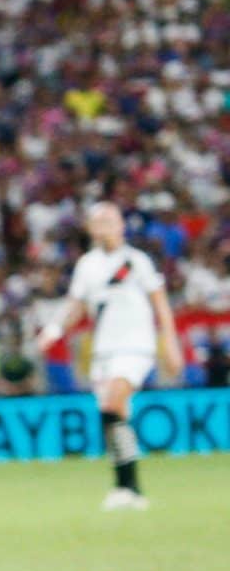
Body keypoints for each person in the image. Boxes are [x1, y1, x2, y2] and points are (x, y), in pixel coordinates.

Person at [37, 202, 184, 510]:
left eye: (110, 219)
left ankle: (130, 487)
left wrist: (170, 342)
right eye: (98, 220)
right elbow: (75, 306)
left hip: (136, 345)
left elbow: (160, 303)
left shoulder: (136, 261)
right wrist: (52, 331)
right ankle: (126, 488)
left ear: (121, 225)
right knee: (111, 415)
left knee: (114, 402)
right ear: (90, 227)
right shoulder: (87, 265)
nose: (104, 224)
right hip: (103, 349)